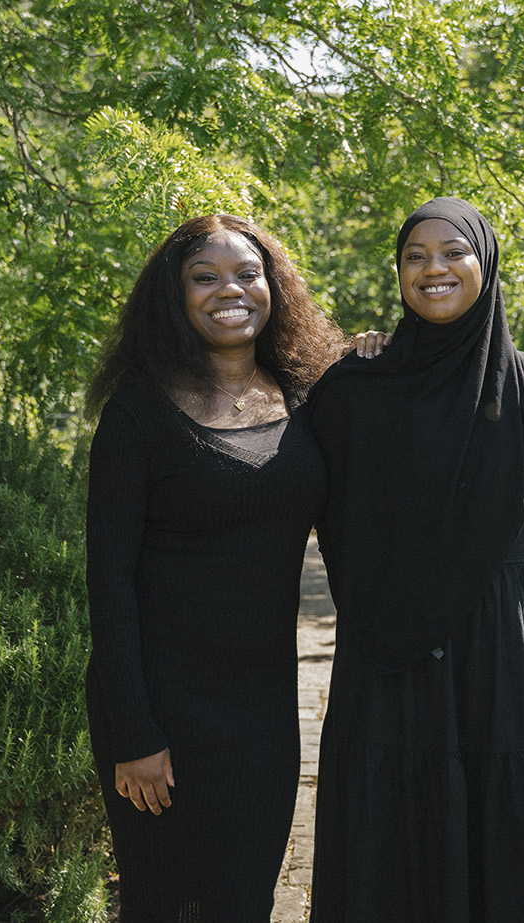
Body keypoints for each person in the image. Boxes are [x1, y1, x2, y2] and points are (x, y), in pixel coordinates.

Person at [306, 196, 524, 922]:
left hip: (505, 656)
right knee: (396, 820)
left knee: (507, 818)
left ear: (487, 262)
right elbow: (314, 493)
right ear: (399, 273)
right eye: (415, 256)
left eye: (453, 253)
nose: (433, 268)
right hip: (388, 656)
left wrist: (506, 593)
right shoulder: (356, 387)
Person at [83, 213, 347, 922]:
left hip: (262, 708)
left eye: (247, 272)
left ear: (274, 287)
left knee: (243, 900)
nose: (230, 289)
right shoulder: (137, 413)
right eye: (205, 276)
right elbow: (107, 580)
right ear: (175, 295)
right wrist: (135, 732)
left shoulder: (305, 397)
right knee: (165, 903)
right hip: (159, 702)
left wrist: (383, 349)